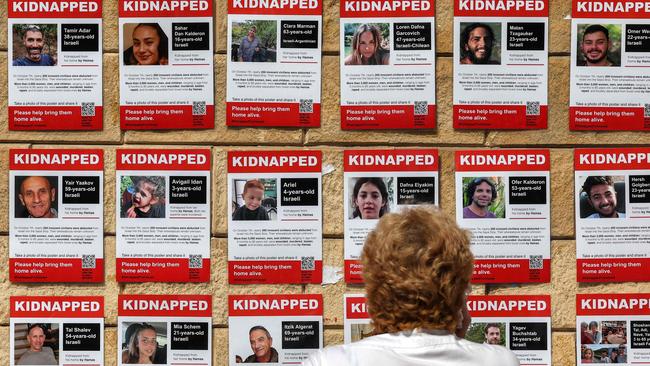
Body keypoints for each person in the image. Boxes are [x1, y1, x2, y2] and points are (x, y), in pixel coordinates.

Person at [304, 207, 519, 366]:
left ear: (377, 287)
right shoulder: (499, 360)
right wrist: (453, 339)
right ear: (456, 288)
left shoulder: (329, 362)